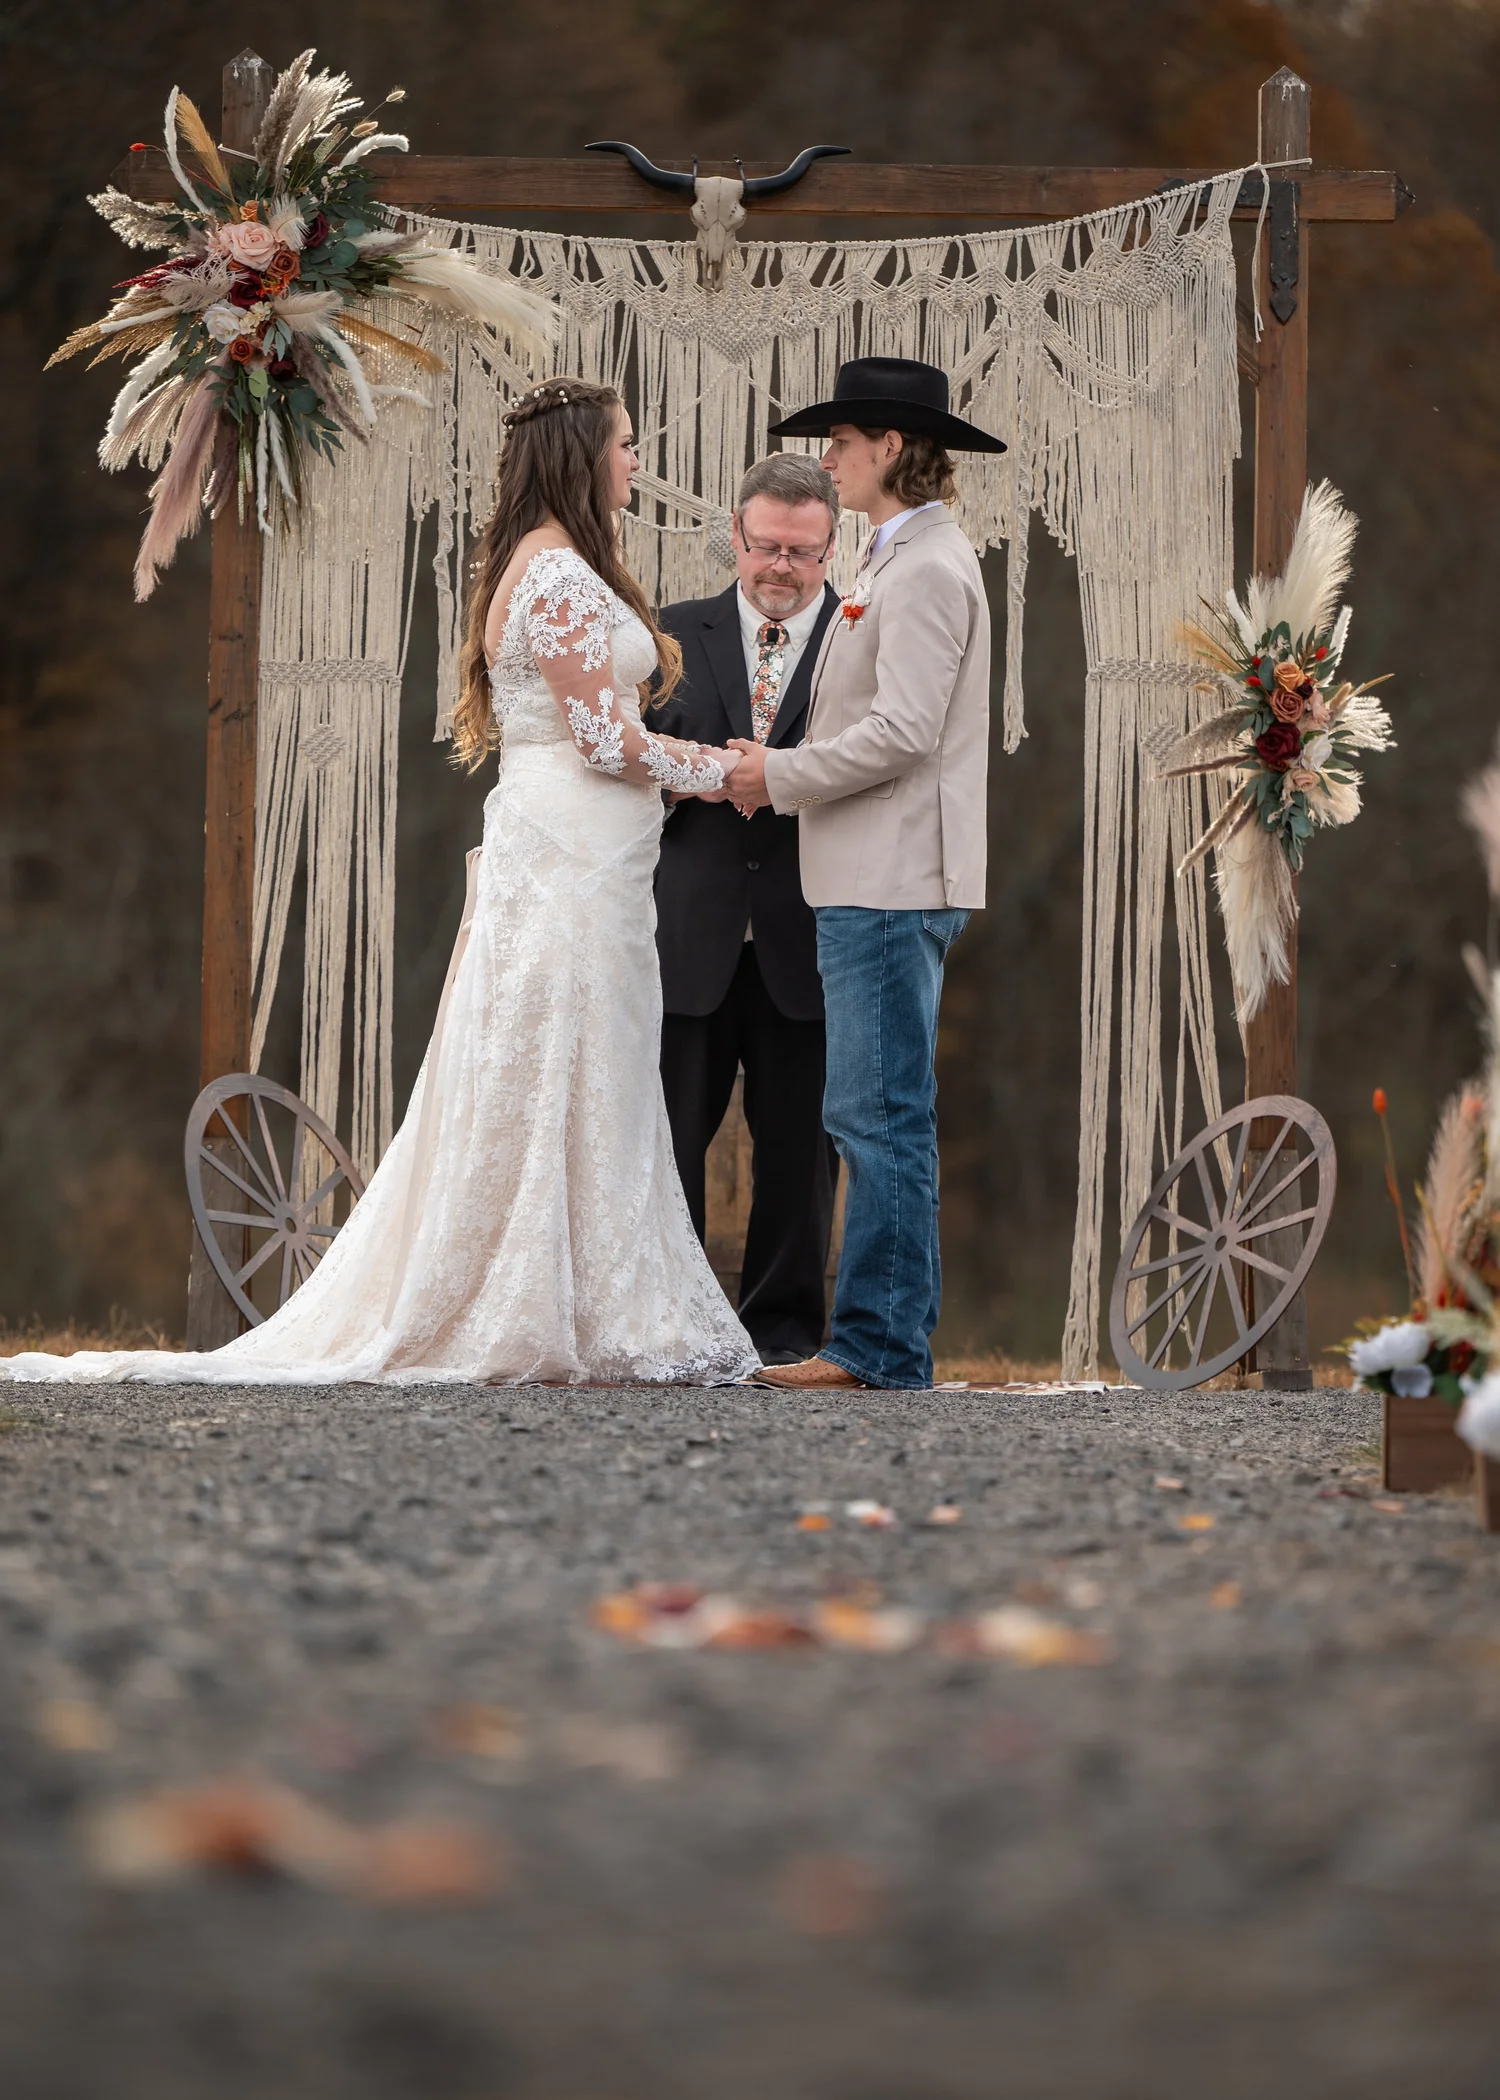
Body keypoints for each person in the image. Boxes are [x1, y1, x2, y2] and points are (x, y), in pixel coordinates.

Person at [4, 378, 758, 1388]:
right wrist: (727, 771)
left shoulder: (535, 566)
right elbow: (600, 738)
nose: (635, 460)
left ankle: (570, 1291)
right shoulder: (564, 579)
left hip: (576, 853)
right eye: (624, 444)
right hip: (572, 856)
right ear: (584, 456)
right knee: (567, 1060)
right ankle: (547, 1302)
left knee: (570, 1063)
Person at [720, 356, 1004, 1393]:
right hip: (869, 875)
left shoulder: (926, 568)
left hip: (891, 880)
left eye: (839, 443)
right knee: (878, 1114)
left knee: (876, 1117)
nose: (827, 459)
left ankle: (879, 1347)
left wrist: (777, 774)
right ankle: (887, 1342)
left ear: (889, 448)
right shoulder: (899, 559)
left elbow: (903, 731)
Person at [653, 454, 842, 1364]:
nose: (781, 567)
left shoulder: (862, 637)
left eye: (802, 553)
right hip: (687, 930)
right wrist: (692, 781)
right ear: (735, 535)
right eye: (766, 545)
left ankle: (783, 1338)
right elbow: (620, 769)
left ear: (830, 548)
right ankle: (679, 1330)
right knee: (667, 1142)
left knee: (801, 1156)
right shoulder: (668, 635)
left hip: (810, 932)